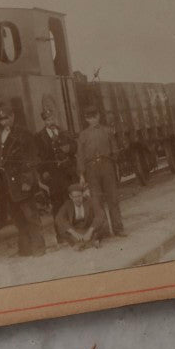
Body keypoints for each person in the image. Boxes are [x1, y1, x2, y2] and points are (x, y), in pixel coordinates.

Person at [0, 102, 45, 256]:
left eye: (7, 118)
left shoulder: (24, 134)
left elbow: (32, 159)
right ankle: (25, 249)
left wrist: (27, 181)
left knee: (31, 216)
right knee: (18, 218)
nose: (4, 122)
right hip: (8, 185)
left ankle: (39, 248)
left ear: (13, 116)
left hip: (21, 183)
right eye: (2, 119)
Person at [76, 105, 126, 238]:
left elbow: (115, 150)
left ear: (98, 116)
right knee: (97, 201)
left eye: (94, 116)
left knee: (113, 199)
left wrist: (112, 162)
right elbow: (80, 156)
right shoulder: (83, 135)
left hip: (107, 167)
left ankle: (118, 228)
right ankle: (103, 230)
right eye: (89, 117)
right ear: (86, 119)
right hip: (91, 170)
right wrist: (81, 175)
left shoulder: (108, 131)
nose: (92, 120)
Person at [35, 110, 76, 232]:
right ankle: (61, 234)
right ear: (44, 121)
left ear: (55, 118)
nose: (51, 122)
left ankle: (74, 229)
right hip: (53, 176)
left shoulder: (64, 132)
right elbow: (38, 157)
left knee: (70, 201)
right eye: (47, 120)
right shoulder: (39, 137)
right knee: (57, 205)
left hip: (67, 173)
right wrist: (43, 172)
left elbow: (75, 146)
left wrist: (69, 149)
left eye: (52, 119)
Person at [54, 180, 109, 250]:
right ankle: (80, 243)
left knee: (104, 223)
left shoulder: (90, 201)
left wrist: (90, 231)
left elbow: (100, 214)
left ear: (83, 194)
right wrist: (73, 232)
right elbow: (59, 218)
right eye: (74, 197)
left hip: (89, 227)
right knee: (61, 228)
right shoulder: (67, 204)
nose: (77, 199)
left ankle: (91, 241)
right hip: (76, 230)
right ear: (70, 196)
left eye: (79, 196)